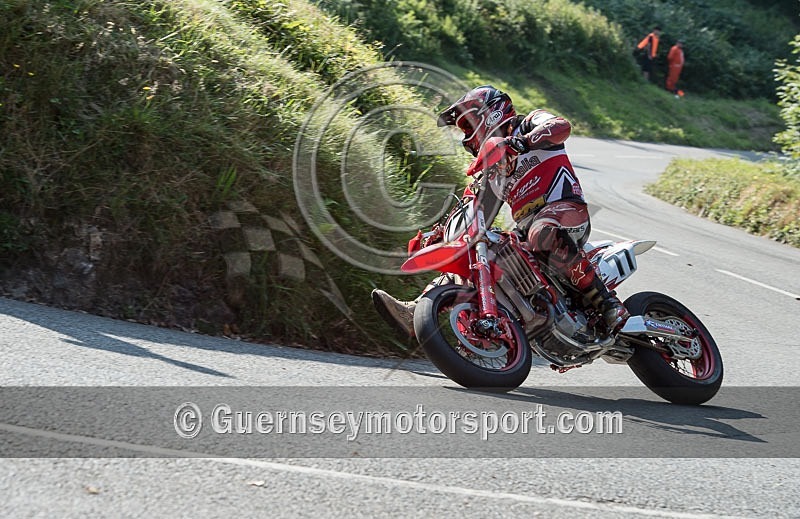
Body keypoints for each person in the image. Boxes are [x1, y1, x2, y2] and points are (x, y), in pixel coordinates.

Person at [372, 85, 629, 339]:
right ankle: (417, 311)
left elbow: (562, 126)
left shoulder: (529, 124)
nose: (466, 135)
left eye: (468, 125)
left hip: (565, 210)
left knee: (542, 233)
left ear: (491, 112)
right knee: (474, 251)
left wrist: (521, 142)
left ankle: (608, 305)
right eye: (463, 130)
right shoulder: (492, 173)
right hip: (528, 232)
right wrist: (438, 236)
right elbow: (472, 212)